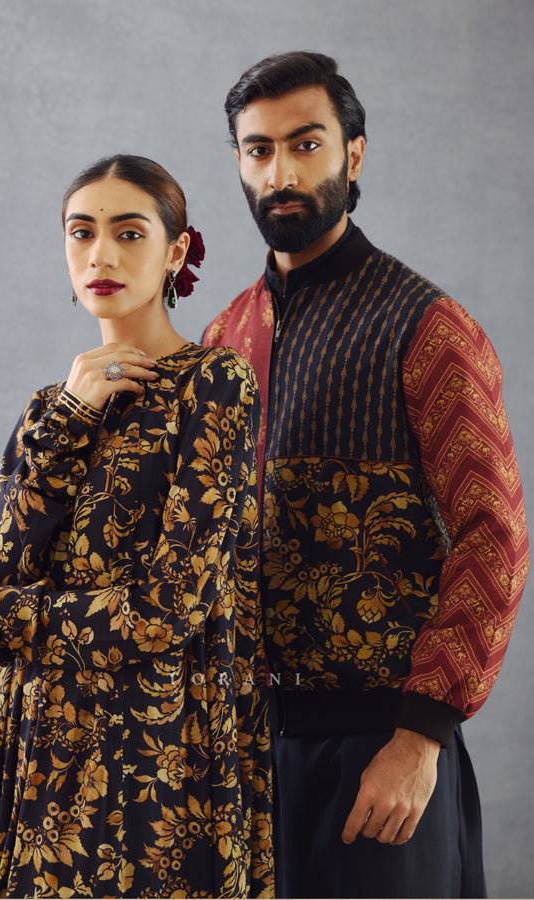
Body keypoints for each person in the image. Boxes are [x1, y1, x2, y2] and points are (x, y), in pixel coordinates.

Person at [203, 51, 529, 899]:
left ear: (352, 154)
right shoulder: (223, 337)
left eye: (305, 144)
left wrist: (420, 738)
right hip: (246, 759)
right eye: (258, 150)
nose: (281, 173)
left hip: (384, 750)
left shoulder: (426, 326)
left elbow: (494, 538)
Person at [0, 154, 274, 899]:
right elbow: (4, 566)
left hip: (152, 752)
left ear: (176, 251)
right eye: (81, 232)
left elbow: (166, 612)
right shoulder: (49, 407)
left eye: (128, 233)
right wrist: (73, 413)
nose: (101, 255)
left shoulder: (213, 385)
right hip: (30, 751)